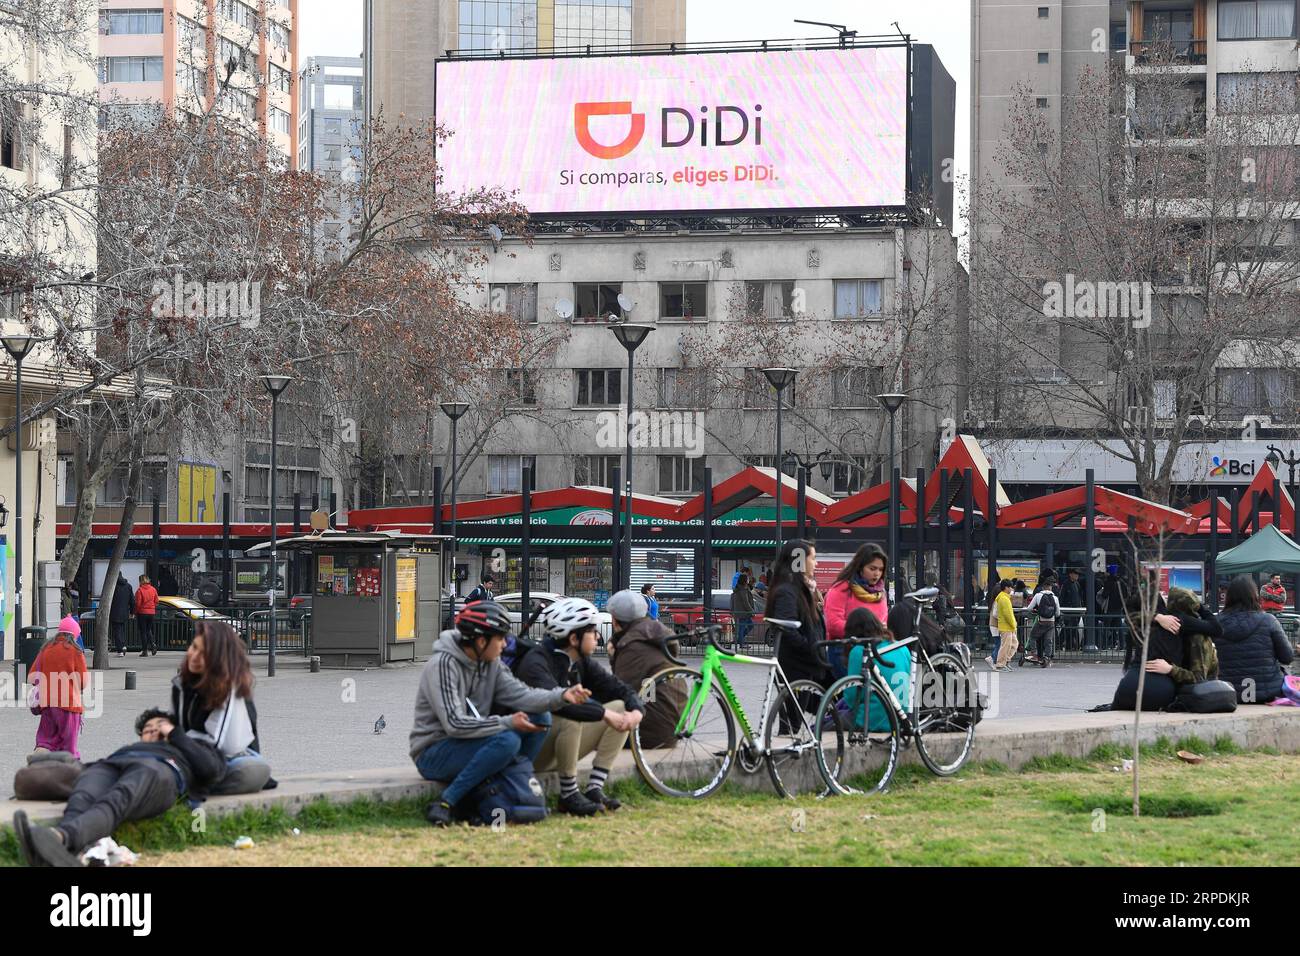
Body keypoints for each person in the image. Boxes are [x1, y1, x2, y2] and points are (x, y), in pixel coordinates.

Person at [411, 600, 590, 827]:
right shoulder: (443, 665)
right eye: (500, 639)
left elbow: (523, 696)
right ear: (481, 640)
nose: (505, 645)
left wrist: (562, 696)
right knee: (507, 740)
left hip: (472, 743)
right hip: (434, 751)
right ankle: (447, 802)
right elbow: (454, 724)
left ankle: (509, 787)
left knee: (541, 718)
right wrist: (508, 722)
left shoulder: (490, 663)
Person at [13, 707, 226, 867]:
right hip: (112, 764)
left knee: (117, 799)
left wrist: (175, 735)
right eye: (148, 729)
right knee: (82, 795)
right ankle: (58, 853)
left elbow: (211, 770)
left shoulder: (187, 747)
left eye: (160, 726)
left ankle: (59, 838)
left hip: (160, 769)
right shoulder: (130, 748)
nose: (153, 730)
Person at [517, 596, 643, 814]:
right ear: (574, 638)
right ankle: (568, 794)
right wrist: (604, 714)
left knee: (621, 708)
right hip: (530, 754)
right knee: (570, 718)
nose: (597, 637)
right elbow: (563, 705)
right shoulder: (536, 662)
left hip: (560, 747)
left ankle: (594, 787)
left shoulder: (580, 661)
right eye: (592, 632)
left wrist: (637, 711)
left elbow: (617, 687)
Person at [171, 621, 273, 794]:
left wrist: (176, 738)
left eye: (204, 653)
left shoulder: (230, 688)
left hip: (228, 761)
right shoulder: (181, 685)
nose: (194, 656)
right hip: (192, 756)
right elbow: (178, 726)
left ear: (218, 658)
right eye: (194, 647)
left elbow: (222, 743)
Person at [1108, 586, 1221, 710]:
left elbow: (1129, 617)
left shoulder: (1143, 626)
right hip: (1162, 690)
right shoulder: (1180, 622)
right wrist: (1200, 607)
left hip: (1129, 686)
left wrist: (1156, 617)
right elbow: (1216, 629)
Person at [607, 589, 686, 750]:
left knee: (589, 716)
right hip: (672, 729)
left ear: (614, 620)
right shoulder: (655, 637)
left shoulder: (633, 647)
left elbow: (621, 692)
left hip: (651, 734)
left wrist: (614, 657)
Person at [763, 538, 833, 688]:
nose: (816, 563)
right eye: (813, 558)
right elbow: (788, 630)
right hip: (798, 666)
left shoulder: (801, 589)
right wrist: (810, 648)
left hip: (805, 664)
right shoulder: (788, 591)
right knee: (798, 710)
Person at [1215, 575, 1295, 703]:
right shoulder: (1268, 620)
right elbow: (1287, 657)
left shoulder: (1215, 623)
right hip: (1269, 691)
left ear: (1229, 597)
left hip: (1226, 693)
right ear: (1254, 595)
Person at [823, 543, 889, 678]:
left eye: (880, 569)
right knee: (854, 694)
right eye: (872, 568)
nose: (877, 574)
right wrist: (865, 632)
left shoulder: (881, 593)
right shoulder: (841, 589)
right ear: (860, 567)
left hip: (875, 651)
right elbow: (833, 624)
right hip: (844, 650)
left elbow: (884, 622)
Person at [30, 617, 90, 760]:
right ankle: (69, 770)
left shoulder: (45, 649)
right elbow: (82, 682)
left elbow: (33, 677)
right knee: (68, 745)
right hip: (68, 704)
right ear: (74, 634)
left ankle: (39, 756)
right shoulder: (75, 651)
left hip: (47, 704)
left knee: (45, 739)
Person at [1024, 572, 1059, 665]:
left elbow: (1029, 608)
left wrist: (1036, 610)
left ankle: (1034, 654)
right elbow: (1058, 613)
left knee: (1032, 637)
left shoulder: (1038, 595)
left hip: (1041, 622)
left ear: (1043, 586)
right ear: (1050, 587)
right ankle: (1048, 657)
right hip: (1051, 622)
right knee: (1048, 640)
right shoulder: (1055, 598)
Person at [986, 579, 1018, 672]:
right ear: (1006, 588)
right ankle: (1000, 664)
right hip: (1006, 626)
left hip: (1007, 626)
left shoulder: (1004, 597)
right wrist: (1013, 625)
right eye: (1010, 587)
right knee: (1005, 646)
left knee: (1012, 645)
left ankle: (1005, 661)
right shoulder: (1004, 598)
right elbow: (1007, 614)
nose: (1011, 589)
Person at [109, 573, 134, 656]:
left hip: (114, 611)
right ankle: (123, 645)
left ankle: (120, 649)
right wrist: (132, 612)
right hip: (124, 612)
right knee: (121, 629)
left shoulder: (113, 586)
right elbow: (132, 601)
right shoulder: (128, 586)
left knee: (117, 631)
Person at [1060, 568, 1085, 651]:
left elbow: (1079, 597)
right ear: (1070, 574)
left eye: (1077, 574)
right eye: (1075, 574)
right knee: (1068, 629)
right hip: (1069, 611)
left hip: (1076, 611)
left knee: (1073, 629)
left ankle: (1071, 646)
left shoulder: (1077, 584)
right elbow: (1062, 597)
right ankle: (1067, 646)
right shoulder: (1066, 584)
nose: (1077, 576)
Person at [134, 574, 158, 657]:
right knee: (148, 630)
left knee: (143, 632)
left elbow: (138, 603)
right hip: (151, 612)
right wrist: (152, 607)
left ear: (141, 581)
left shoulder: (139, 590)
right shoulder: (153, 589)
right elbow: (156, 600)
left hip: (142, 613)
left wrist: (135, 612)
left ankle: (145, 651)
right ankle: (153, 644)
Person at [730, 571, 756, 645]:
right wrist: (752, 611)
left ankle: (739, 639)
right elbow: (746, 602)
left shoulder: (739, 589)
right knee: (741, 628)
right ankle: (742, 643)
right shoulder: (742, 590)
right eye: (747, 579)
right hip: (743, 613)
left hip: (743, 613)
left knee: (750, 625)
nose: (748, 580)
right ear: (744, 580)